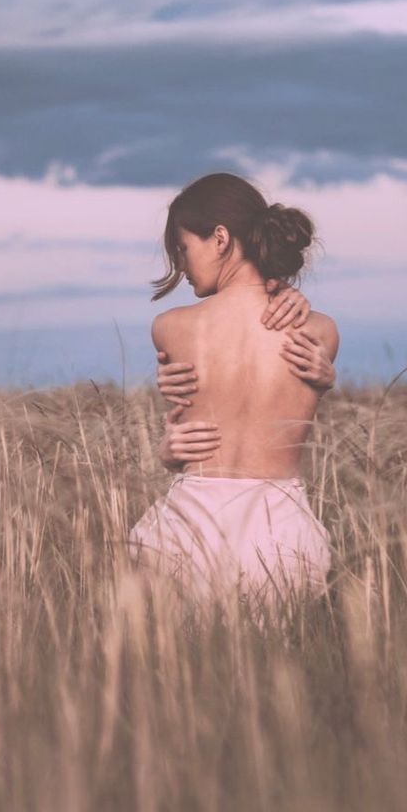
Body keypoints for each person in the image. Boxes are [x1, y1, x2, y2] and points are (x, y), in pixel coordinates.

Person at [128, 172, 340, 615]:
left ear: (219, 238)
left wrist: (169, 453)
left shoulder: (170, 328)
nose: (182, 267)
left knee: (184, 677)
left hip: (191, 527)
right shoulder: (319, 331)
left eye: (183, 249)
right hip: (281, 531)